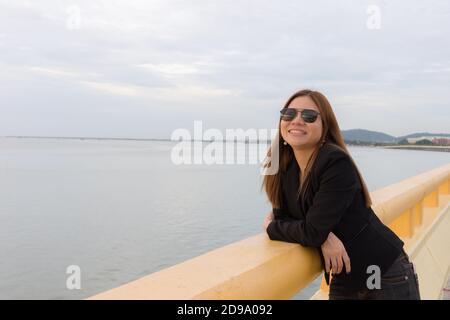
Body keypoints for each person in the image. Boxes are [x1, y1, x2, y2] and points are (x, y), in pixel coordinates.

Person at [261, 89, 420, 300]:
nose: (296, 121)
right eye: (289, 114)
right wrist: (325, 237)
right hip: (345, 275)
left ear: (325, 126)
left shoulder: (335, 161)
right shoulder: (283, 167)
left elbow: (310, 231)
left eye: (308, 116)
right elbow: (289, 219)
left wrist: (274, 228)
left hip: (385, 272)